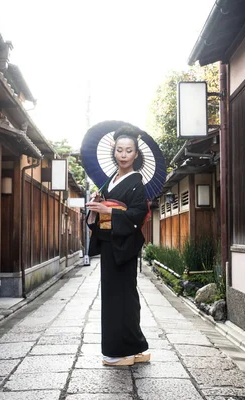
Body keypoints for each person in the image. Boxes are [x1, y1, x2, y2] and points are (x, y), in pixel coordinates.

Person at [85, 125, 151, 366]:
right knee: (120, 296)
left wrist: (108, 211)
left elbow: (137, 214)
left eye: (129, 151)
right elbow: (100, 214)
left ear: (136, 154)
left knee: (121, 297)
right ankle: (136, 346)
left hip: (124, 246)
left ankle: (121, 351)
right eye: (120, 150)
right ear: (115, 152)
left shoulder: (136, 183)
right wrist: (96, 206)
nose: (123, 155)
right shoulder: (109, 181)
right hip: (111, 244)